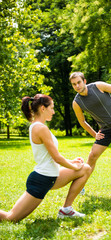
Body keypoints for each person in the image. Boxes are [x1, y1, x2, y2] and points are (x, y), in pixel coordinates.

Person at [0, 94, 91, 222]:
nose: (53, 112)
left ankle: (66, 209)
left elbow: (51, 156)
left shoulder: (38, 126)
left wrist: (72, 162)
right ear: (43, 108)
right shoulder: (40, 128)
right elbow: (57, 158)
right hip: (41, 181)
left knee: (85, 169)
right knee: (10, 218)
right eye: (52, 108)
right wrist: (74, 166)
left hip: (51, 176)